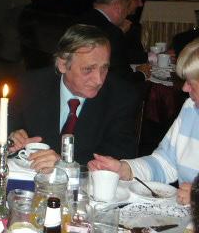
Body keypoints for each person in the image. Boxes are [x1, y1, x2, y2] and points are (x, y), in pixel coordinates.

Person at [9, 24, 140, 170]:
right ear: (62, 65)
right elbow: (2, 129)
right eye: (88, 69)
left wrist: (65, 166)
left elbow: (120, 156)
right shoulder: (29, 85)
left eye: (104, 68)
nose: (98, 80)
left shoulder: (122, 96)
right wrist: (12, 139)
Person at [89, 37, 199, 206]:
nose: (184, 88)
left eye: (191, 82)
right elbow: (164, 163)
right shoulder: (191, 108)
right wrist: (124, 169)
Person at [76, 0, 144, 83]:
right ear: (118, 7)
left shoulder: (78, 21)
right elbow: (123, 79)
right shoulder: (113, 33)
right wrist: (142, 73)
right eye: (126, 8)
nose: (126, 14)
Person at [111, 0, 147, 64]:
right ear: (122, 0)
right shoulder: (104, 22)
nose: (140, 4)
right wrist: (119, 33)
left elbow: (137, 53)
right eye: (136, 0)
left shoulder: (131, 23)